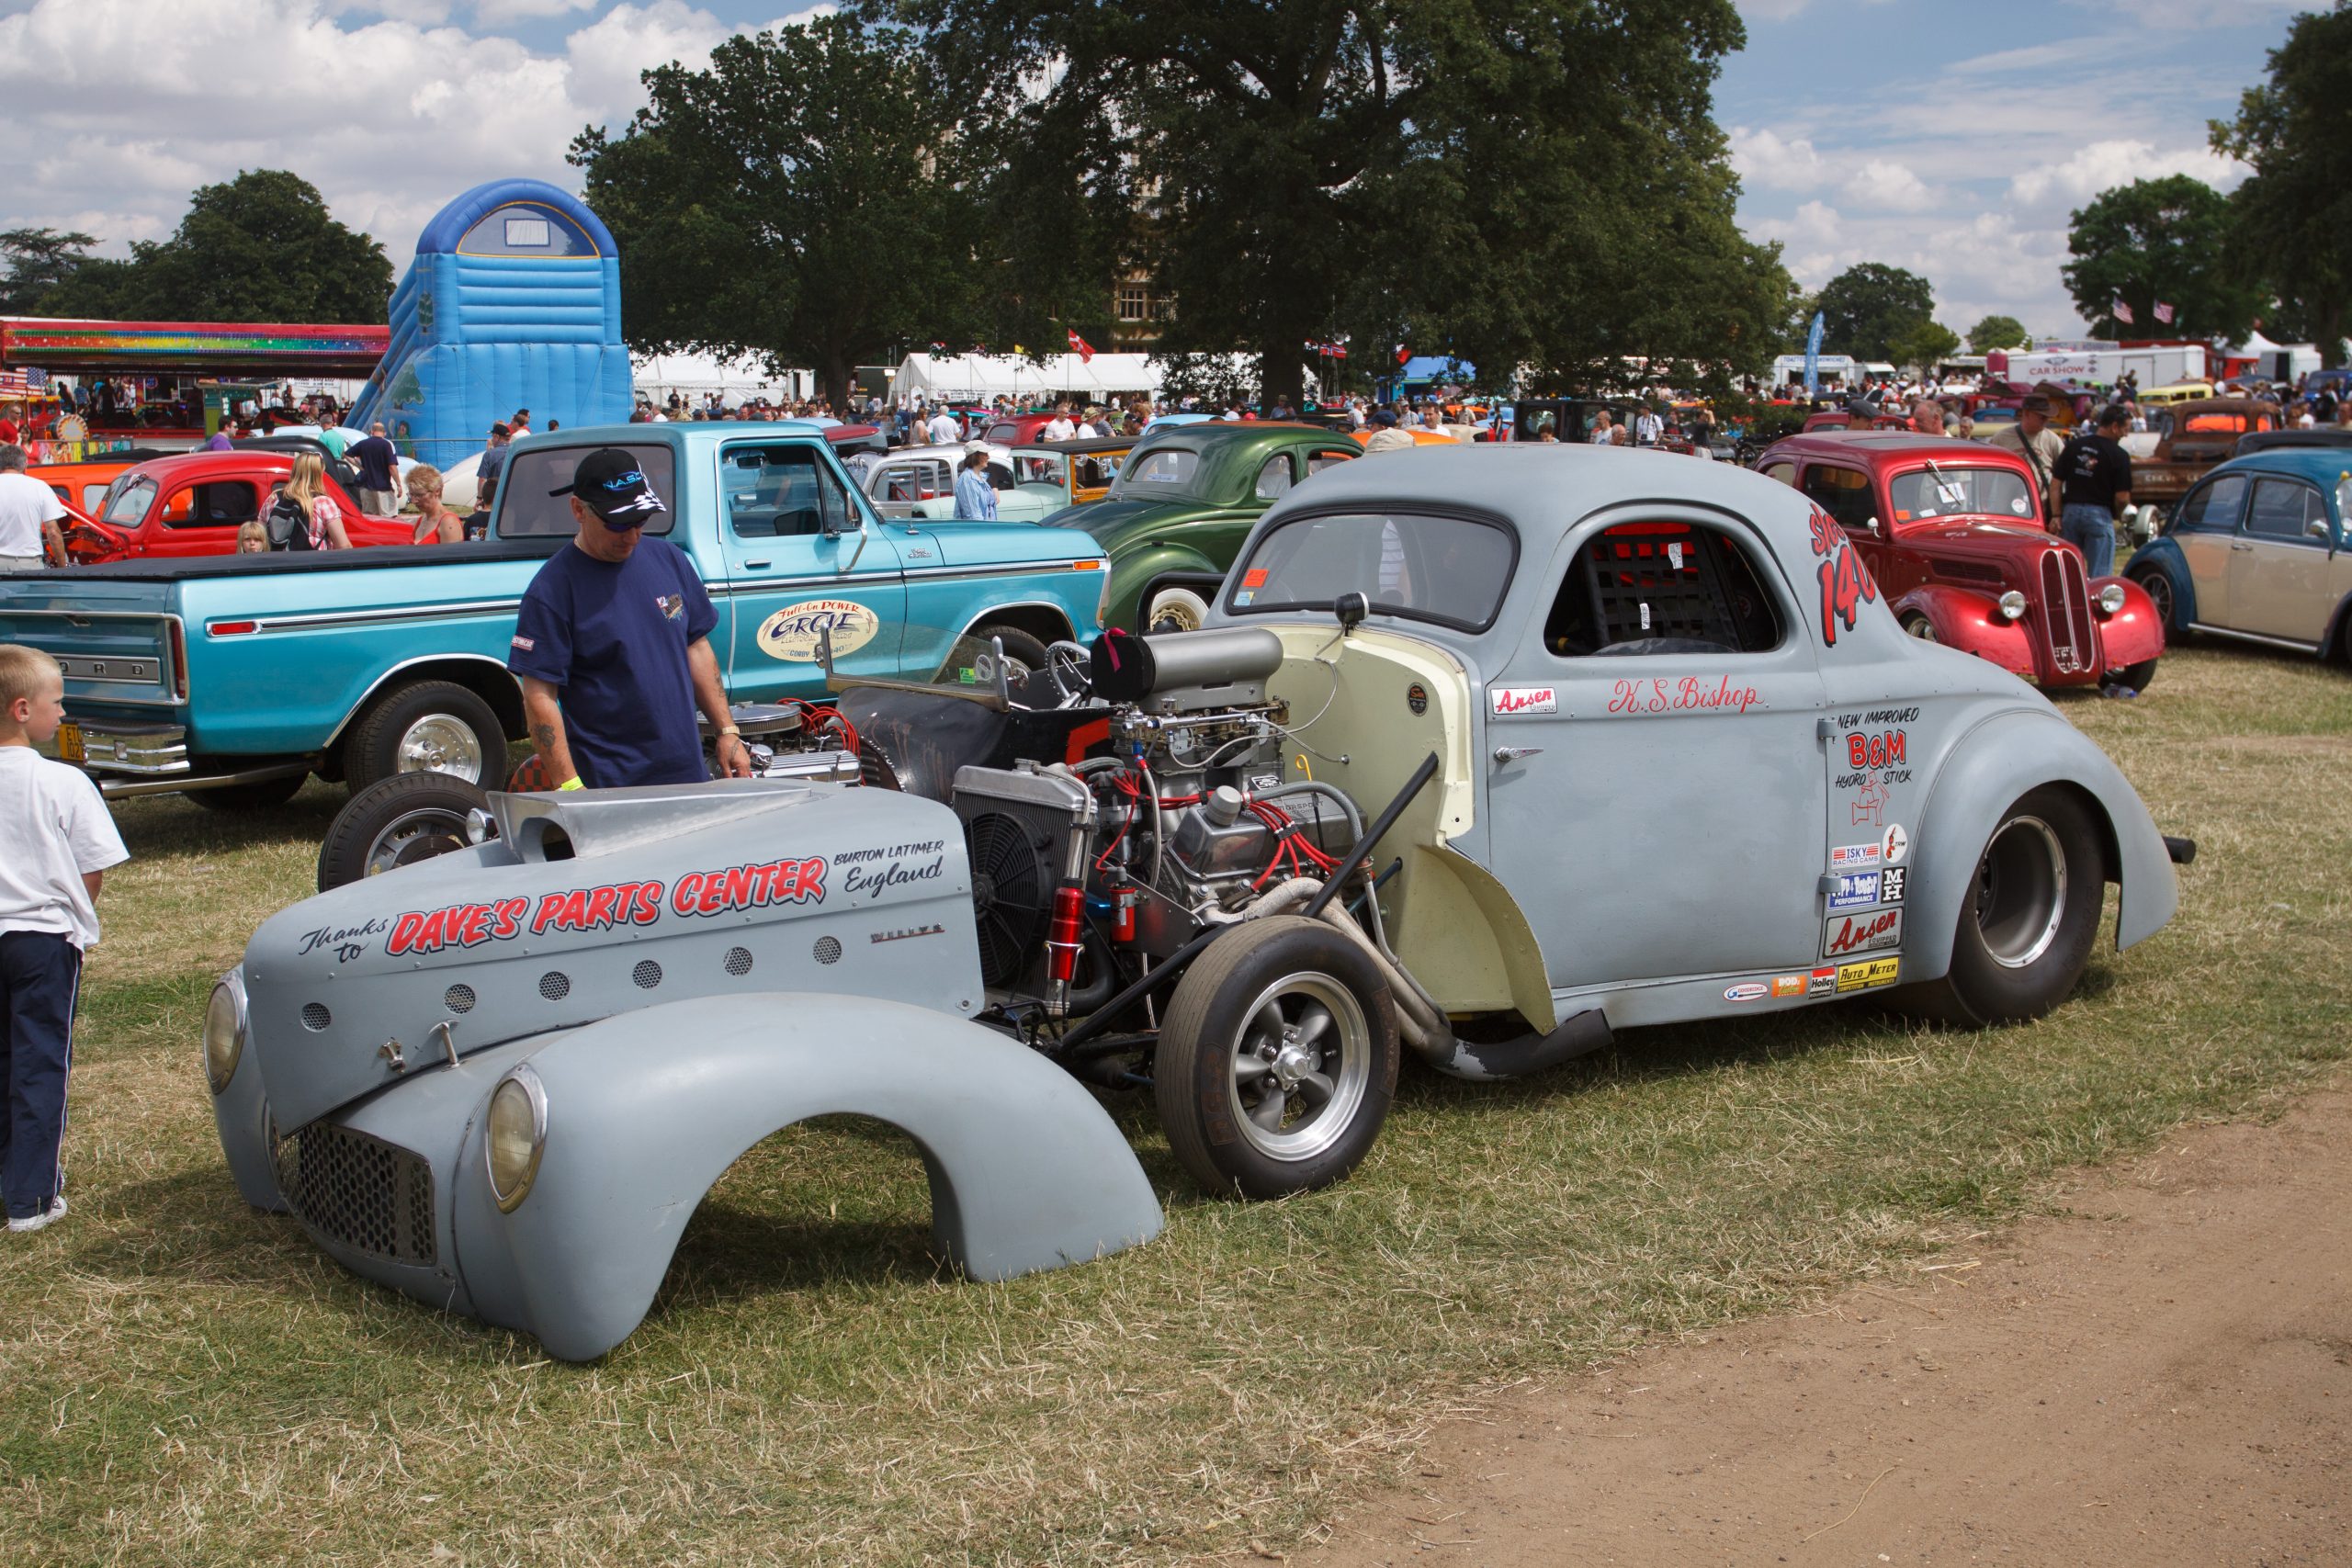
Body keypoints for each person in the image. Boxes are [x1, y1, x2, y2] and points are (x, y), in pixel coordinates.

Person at [505, 449, 752, 791]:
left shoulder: (669, 559)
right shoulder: (552, 591)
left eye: (641, 521)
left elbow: (695, 647)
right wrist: (570, 787)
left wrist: (727, 731)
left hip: (686, 770)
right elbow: (538, 696)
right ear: (579, 509)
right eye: (618, 523)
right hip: (611, 785)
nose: (632, 535)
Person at [0, 644, 129, 1234]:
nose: (63, 712)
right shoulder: (64, 781)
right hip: (43, 941)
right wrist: (76, 916)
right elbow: (93, 865)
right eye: (57, 702)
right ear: (23, 709)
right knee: (40, 1062)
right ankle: (30, 1199)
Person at [2054, 405, 2133, 573]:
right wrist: (2118, 515)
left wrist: (2056, 514)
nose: (2126, 434)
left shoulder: (2074, 446)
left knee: (2069, 572)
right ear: (2114, 427)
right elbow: (2122, 497)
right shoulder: (2119, 455)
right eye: (2125, 429)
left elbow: (2055, 483)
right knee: (2100, 576)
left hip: (2070, 513)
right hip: (2099, 515)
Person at [1988, 394, 2067, 526]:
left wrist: (2056, 514)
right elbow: (1989, 474)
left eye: (2047, 417)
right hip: (2007, 510)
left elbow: (2062, 475)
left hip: (2041, 510)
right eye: (2041, 417)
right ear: (2027, 414)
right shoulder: (2001, 438)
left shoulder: (2053, 440)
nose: (2045, 421)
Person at [0, 445, 66, 570]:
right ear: (25, 464)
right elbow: (53, 532)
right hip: (28, 563)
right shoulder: (39, 487)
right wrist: (62, 568)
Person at [274, 453, 353, 551]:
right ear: (319, 474)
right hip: (313, 563)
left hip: (278, 563)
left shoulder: (274, 499)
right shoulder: (323, 503)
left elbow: (260, 536)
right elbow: (343, 546)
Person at [348, 422, 401, 516]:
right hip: (383, 486)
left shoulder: (363, 444)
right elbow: (392, 467)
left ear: (371, 431)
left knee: (370, 518)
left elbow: (346, 454)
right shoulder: (386, 445)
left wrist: (360, 467)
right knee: (388, 517)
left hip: (366, 486)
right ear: (384, 433)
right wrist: (398, 484)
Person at [405, 465, 462, 545]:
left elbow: (451, 556)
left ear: (437, 491)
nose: (414, 501)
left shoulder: (448, 522)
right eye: (411, 495)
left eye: (419, 495)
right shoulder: (422, 519)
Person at [954, 446, 999, 519]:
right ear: (975, 456)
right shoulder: (967, 479)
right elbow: (973, 515)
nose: (988, 457)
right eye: (985, 454)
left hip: (988, 528)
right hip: (979, 529)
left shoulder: (982, 477)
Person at [478, 423, 513, 510]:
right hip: (514, 496)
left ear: (497, 437)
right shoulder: (517, 451)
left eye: (492, 436)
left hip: (495, 498)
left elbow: (482, 479)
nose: (491, 439)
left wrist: (479, 498)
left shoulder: (489, 454)